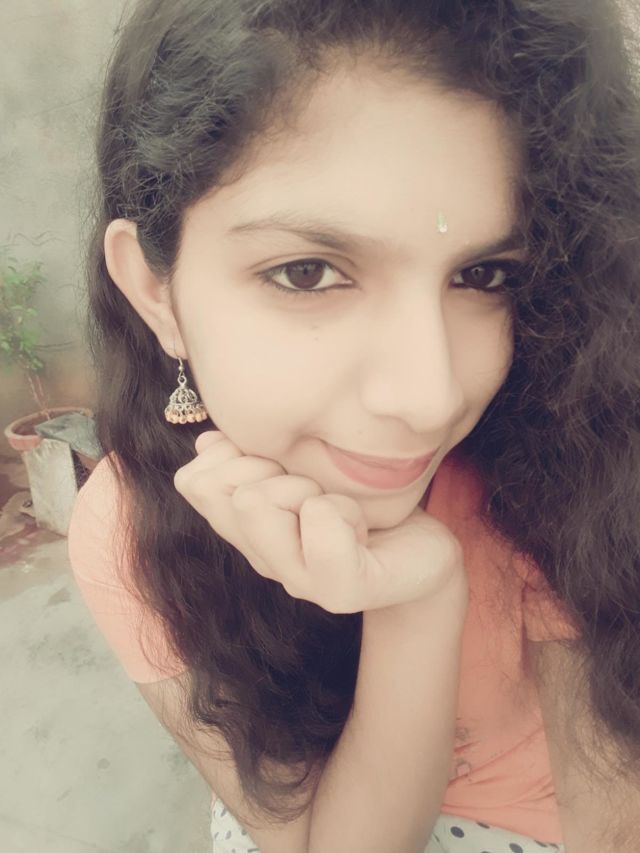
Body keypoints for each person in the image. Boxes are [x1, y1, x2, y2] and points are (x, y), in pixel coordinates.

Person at [67, 1, 640, 851]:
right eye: (308, 272)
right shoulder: (134, 530)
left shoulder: (576, 457)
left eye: (484, 274)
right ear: (158, 293)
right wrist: (415, 603)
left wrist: (422, 588)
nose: (431, 396)